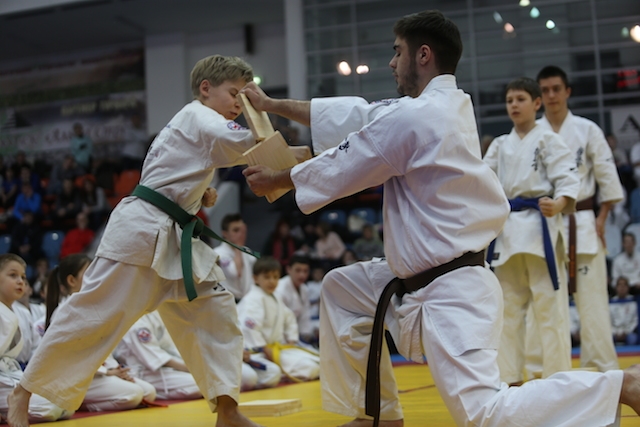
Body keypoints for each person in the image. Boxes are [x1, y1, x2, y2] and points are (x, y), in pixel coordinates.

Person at [240, 10, 640, 426]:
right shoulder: (444, 105)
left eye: (398, 52)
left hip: (452, 290)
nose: (392, 62)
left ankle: (619, 387)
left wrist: (278, 178)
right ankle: (378, 415)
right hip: (420, 276)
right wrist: (272, 105)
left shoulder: (417, 117)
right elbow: (357, 116)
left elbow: (349, 160)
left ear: (423, 55)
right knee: (342, 289)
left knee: (485, 414)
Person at [6, 54, 265, 427]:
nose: (240, 102)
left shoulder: (193, 123)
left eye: (244, 95)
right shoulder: (200, 115)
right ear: (206, 89)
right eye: (234, 93)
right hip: (143, 231)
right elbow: (250, 142)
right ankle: (23, 391)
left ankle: (227, 411)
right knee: (92, 315)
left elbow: (175, 172)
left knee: (215, 314)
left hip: (174, 236)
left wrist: (200, 195)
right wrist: (268, 115)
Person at [483, 76, 579, 384]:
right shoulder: (500, 145)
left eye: (520, 99)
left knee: (550, 310)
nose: (514, 105)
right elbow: (482, 181)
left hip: (540, 230)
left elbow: (568, 178)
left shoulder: (549, 140)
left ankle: (558, 378)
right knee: (507, 310)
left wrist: (560, 203)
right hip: (508, 232)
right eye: (510, 100)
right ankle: (509, 378)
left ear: (537, 103)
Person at [535, 64, 623, 373]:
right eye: (545, 90)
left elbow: (607, 178)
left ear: (567, 91)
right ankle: (549, 372)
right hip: (544, 226)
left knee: (593, 301)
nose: (551, 95)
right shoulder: (533, 133)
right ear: (539, 96)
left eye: (556, 89)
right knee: (546, 305)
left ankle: (600, 368)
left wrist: (602, 217)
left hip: (583, 221)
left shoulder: (588, 130)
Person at [35, 253, 156, 411]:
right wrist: (107, 372)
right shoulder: (66, 312)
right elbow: (68, 356)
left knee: (148, 392)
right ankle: (78, 404)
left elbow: (104, 349)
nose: (96, 277)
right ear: (72, 281)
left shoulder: (95, 307)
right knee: (134, 394)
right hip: (75, 377)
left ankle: (81, 400)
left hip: (99, 374)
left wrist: (116, 370)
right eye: (89, 273)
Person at [0, 254, 72, 423]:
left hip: (14, 375)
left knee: (66, 404)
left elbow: (36, 353)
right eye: (13, 275)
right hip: (3, 381)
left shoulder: (23, 313)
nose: (20, 282)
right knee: (49, 408)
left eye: (23, 277)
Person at [237, 256, 320, 382]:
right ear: (255, 278)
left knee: (318, 362)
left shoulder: (275, 297)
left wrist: (291, 339)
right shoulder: (252, 300)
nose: (272, 281)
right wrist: (264, 348)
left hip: (276, 348)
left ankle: (282, 371)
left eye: (275, 277)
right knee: (311, 368)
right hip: (258, 352)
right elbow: (249, 328)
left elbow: (289, 318)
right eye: (267, 277)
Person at [115, 311, 204, 400]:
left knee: (204, 380)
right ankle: (156, 393)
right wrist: (190, 369)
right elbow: (155, 358)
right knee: (201, 384)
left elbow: (170, 348)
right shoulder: (136, 323)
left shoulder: (156, 313)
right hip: (143, 372)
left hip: (166, 368)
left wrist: (192, 366)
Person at [212, 213, 256, 302]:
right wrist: (238, 248)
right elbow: (235, 273)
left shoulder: (247, 251)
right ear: (225, 233)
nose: (241, 234)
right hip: (228, 301)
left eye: (242, 230)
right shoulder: (218, 253)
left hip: (247, 300)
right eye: (236, 230)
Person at [274, 255, 315, 344]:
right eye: (298, 270)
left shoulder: (304, 289)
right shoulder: (280, 289)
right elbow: (279, 320)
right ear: (289, 269)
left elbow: (305, 315)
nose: (302, 275)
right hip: (280, 335)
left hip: (295, 335)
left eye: (305, 271)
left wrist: (305, 334)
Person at [610, 276, 639, 346]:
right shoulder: (611, 303)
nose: (622, 288)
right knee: (607, 339)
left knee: (633, 339)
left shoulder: (633, 301)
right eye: (620, 285)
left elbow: (635, 320)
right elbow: (608, 321)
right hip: (614, 333)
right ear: (616, 287)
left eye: (624, 285)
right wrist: (615, 332)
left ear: (628, 287)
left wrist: (626, 332)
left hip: (628, 333)